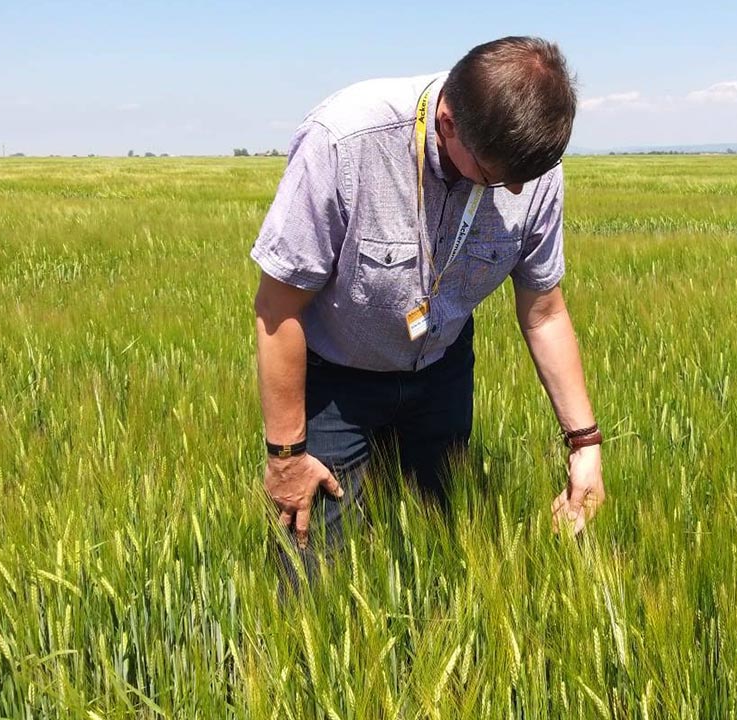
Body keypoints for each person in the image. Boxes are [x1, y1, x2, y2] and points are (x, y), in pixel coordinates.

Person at [250, 36, 604, 579]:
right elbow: (278, 307)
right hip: (336, 377)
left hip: (441, 367)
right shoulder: (345, 142)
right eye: (494, 176)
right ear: (447, 122)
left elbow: (544, 311)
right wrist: (286, 456)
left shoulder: (527, 164)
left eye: (524, 180)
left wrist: (584, 444)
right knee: (313, 563)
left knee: (439, 550)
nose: (514, 191)